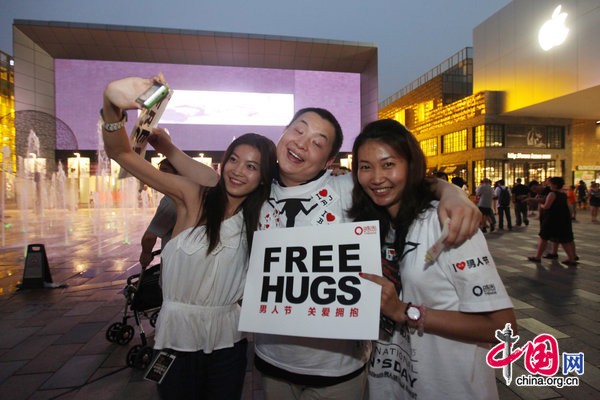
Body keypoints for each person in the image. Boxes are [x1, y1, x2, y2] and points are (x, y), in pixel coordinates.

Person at [249, 108, 482, 399]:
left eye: (318, 142)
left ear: (329, 161)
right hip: (272, 360)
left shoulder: (348, 188)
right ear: (283, 133)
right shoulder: (255, 194)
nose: (302, 143)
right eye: (298, 130)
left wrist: (453, 194)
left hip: (338, 370)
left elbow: (410, 182)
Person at [101, 75, 278, 400]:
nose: (238, 171)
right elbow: (121, 154)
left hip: (229, 343)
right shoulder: (192, 197)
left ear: (264, 175)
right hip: (173, 341)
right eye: (234, 160)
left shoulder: (263, 214)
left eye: (252, 166)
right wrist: (112, 106)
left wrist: (169, 147)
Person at [349, 119, 515, 400]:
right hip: (390, 385)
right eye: (365, 167)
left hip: (450, 388)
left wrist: (405, 311)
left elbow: (501, 326)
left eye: (389, 164)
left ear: (411, 166)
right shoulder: (371, 227)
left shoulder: (444, 223)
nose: (376, 177)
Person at [527, 177, 577, 266]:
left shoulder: (552, 194)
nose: (548, 185)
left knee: (544, 237)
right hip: (562, 218)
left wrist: (540, 204)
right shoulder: (563, 194)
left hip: (551, 219)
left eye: (550, 183)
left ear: (554, 185)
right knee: (564, 240)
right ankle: (572, 258)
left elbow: (546, 206)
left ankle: (538, 257)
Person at [139, 158, 178, 269]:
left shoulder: (171, 201)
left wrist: (145, 254)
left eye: (165, 170)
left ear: (178, 172)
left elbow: (149, 237)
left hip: (174, 265)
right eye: (160, 170)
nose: (161, 174)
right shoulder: (195, 194)